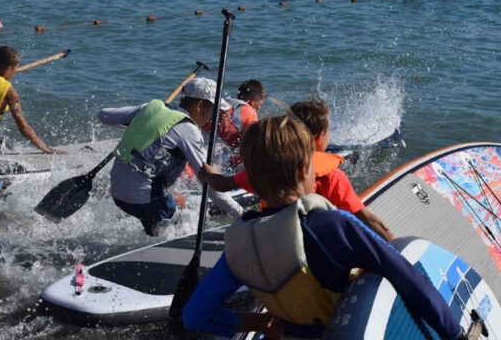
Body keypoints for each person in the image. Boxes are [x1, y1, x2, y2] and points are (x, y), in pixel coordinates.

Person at [183, 115, 463, 339]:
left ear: (251, 181)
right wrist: (454, 333)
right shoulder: (332, 225)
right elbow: (406, 275)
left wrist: (259, 322)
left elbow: (194, 315)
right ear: (305, 168)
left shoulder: (239, 246)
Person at [97, 78, 245, 236]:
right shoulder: (188, 129)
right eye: (213, 110)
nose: (213, 117)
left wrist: (141, 122)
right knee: (186, 226)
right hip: (144, 199)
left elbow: (103, 115)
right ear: (199, 105)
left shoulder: (151, 108)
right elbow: (210, 184)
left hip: (118, 192)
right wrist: (242, 215)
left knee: (178, 202)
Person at [290, 95, 393, 241]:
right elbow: (369, 220)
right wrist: (395, 245)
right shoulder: (332, 177)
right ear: (320, 136)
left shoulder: (273, 165)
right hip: (316, 249)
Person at [205, 80, 266, 172]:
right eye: (260, 104)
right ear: (253, 101)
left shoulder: (224, 102)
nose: (259, 108)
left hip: (203, 148)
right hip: (220, 159)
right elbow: (250, 145)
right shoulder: (250, 111)